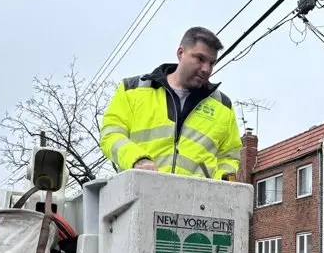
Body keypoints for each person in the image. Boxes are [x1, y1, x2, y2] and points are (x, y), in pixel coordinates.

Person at [99, 26, 242, 180]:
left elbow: (230, 155)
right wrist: (138, 159)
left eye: (212, 63)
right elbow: (111, 135)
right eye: (200, 59)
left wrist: (222, 180)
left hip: (198, 201)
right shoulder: (132, 90)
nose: (206, 69)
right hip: (140, 193)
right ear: (181, 53)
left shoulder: (223, 106)